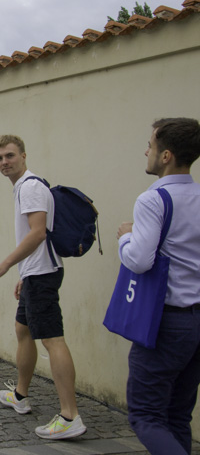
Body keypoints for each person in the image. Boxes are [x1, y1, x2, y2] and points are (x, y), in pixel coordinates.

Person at [0, 134, 86, 440]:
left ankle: (70, 416)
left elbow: (38, 233)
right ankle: (20, 394)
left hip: (42, 275)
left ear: (24, 156)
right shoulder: (26, 187)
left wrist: (5, 265)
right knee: (22, 329)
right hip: (35, 274)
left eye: (10, 156)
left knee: (53, 340)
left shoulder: (29, 188)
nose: (4, 162)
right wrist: (23, 274)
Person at [117, 118, 200, 455]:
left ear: (165, 155)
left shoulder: (153, 200)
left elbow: (139, 260)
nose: (146, 151)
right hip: (196, 320)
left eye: (150, 145)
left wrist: (126, 237)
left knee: (146, 416)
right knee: (178, 416)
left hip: (166, 322)